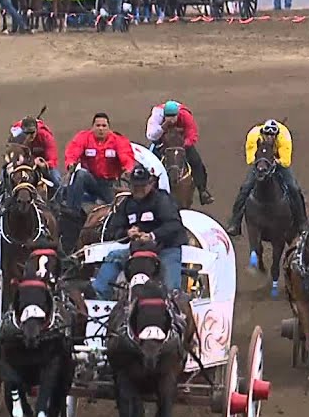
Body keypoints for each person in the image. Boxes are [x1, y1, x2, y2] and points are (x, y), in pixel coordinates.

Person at [92, 164, 186, 298]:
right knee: (113, 257)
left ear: (150, 184)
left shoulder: (162, 200)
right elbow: (112, 231)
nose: (139, 190)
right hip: (136, 250)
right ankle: (99, 295)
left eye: (142, 186)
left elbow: (174, 225)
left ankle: (175, 299)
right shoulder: (126, 204)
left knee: (172, 287)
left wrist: (152, 235)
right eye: (135, 186)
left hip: (165, 248)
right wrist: (127, 233)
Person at [226, 120, 305, 237]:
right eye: (267, 135)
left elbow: (285, 161)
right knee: (245, 187)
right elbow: (250, 159)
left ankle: (302, 223)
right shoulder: (253, 136)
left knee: (293, 187)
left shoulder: (284, 137)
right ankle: (235, 222)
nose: (269, 138)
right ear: (262, 134)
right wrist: (262, 164)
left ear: (276, 135)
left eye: (272, 135)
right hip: (260, 161)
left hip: (278, 161)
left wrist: (274, 162)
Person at [63, 112, 136, 213]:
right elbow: (73, 151)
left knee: (119, 209)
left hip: (109, 184)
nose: (101, 128)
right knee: (80, 174)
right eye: (98, 125)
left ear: (109, 128)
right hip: (90, 180)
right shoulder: (84, 137)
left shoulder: (118, 140)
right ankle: (72, 212)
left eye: (104, 126)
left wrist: (128, 169)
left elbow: (126, 155)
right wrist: (70, 163)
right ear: (92, 127)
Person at [145, 100, 212, 204]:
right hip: (162, 141)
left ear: (178, 114)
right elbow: (151, 136)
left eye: (173, 117)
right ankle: (146, 190)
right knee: (148, 162)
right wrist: (163, 127)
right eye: (168, 117)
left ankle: (202, 190)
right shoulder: (157, 116)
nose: (171, 120)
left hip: (181, 143)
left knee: (196, 162)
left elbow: (192, 134)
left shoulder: (186, 116)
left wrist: (183, 145)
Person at [0, 116, 61, 198]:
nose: (30, 136)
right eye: (27, 133)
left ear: (37, 130)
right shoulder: (16, 134)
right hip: (23, 161)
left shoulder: (46, 137)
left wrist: (44, 164)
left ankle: (57, 202)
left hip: (41, 162)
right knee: (0, 181)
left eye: (32, 132)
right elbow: (10, 150)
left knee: (56, 181)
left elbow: (53, 159)